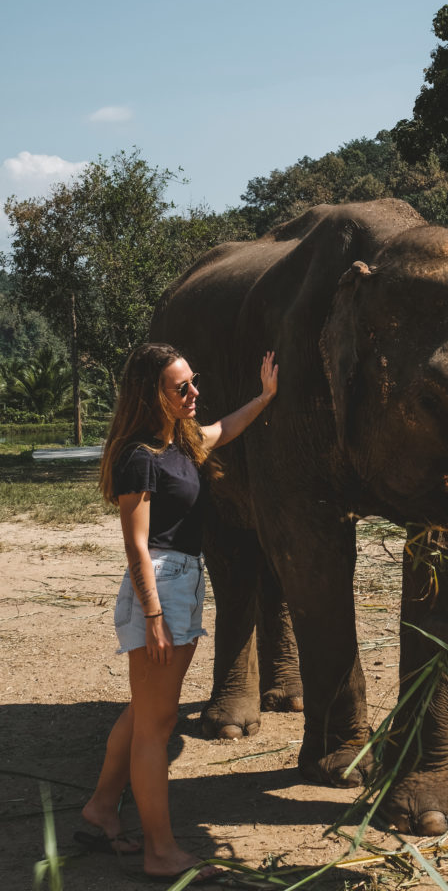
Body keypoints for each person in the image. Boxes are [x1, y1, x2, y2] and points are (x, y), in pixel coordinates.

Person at [77, 342, 278, 884]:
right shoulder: (139, 456)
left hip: (182, 582)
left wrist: (265, 396)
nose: (194, 394)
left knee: (146, 712)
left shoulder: (180, 446)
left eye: (193, 382)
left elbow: (224, 429)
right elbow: (137, 546)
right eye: (181, 387)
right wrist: (153, 615)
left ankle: (100, 810)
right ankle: (159, 852)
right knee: (157, 726)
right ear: (152, 394)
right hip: (160, 586)